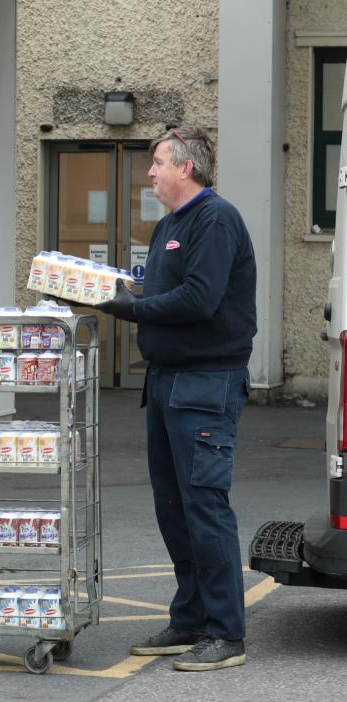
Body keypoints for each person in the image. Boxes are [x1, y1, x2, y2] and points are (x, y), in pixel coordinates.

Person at [96, 127, 256, 671]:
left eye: (158, 162)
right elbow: (160, 293)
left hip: (205, 383)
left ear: (186, 167)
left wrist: (128, 307)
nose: (150, 173)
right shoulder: (169, 224)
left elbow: (199, 298)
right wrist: (108, 291)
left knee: (204, 504)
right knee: (173, 508)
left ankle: (225, 633)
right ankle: (189, 619)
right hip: (165, 381)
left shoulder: (216, 219)